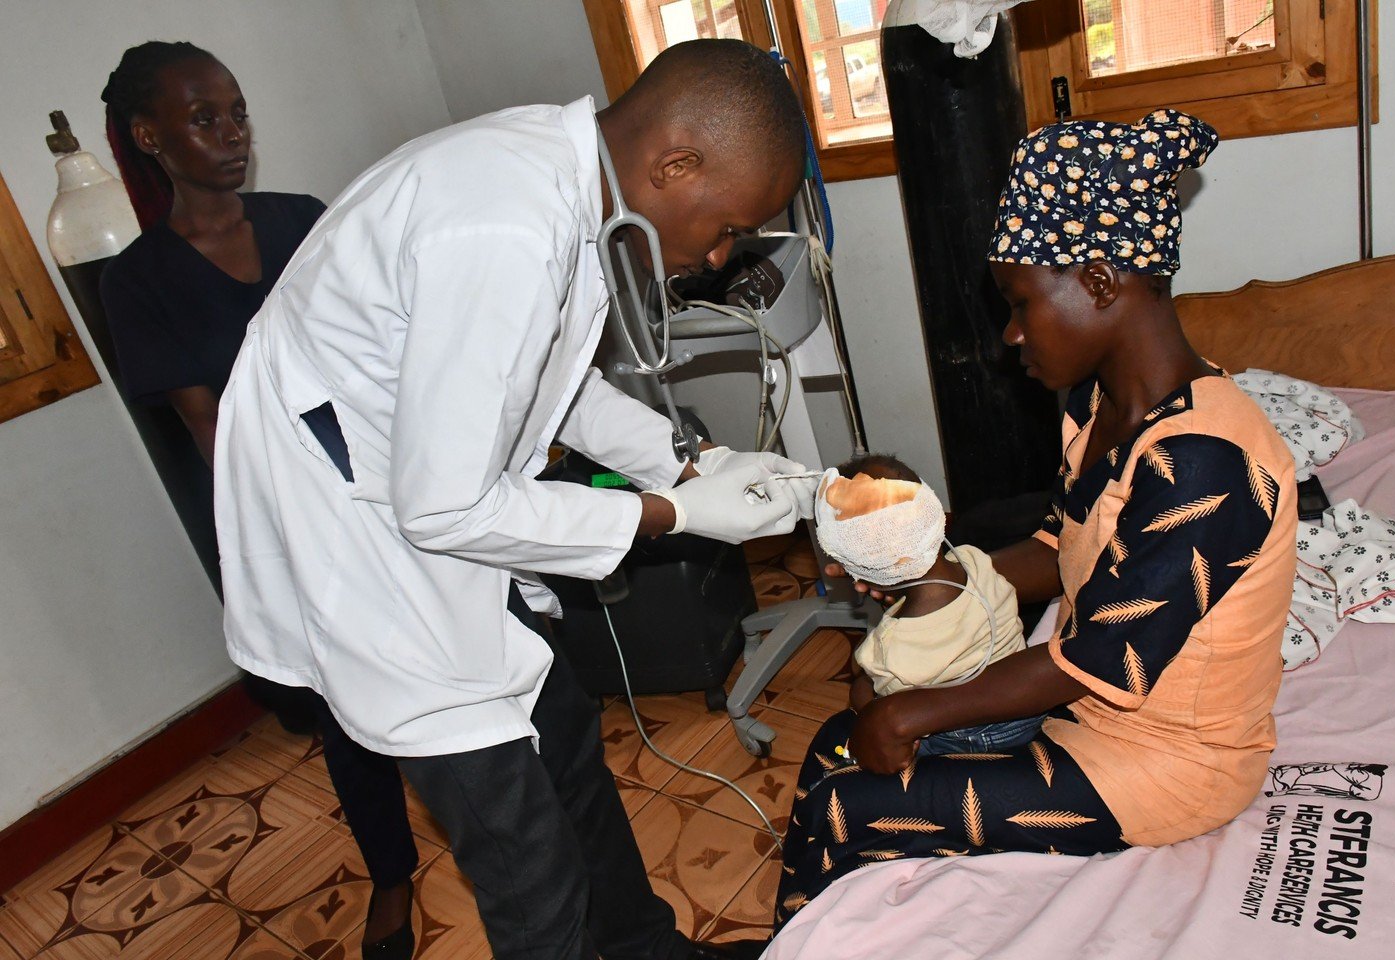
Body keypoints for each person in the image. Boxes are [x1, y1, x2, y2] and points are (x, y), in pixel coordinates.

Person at [213, 38, 816, 960]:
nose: (720, 252)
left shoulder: (566, 176)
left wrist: (688, 461)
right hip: (368, 534)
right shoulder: (506, 226)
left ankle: (645, 950)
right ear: (676, 164)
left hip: (421, 491)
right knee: (519, 844)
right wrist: (676, 514)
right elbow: (444, 510)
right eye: (730, 224)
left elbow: (556, 380)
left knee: (563, 731)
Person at [767, 109, 1298, 932]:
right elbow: (1059, 549)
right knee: (838, 740)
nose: (1010, 335)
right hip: (1090, 714)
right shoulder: (1101, 407)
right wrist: (921, 569)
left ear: (1096, 283)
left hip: (1166, 765)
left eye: (1019, 303)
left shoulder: (1208, 464)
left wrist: (911, 713)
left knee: (846, 803)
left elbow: (1093, 660)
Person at [98, 41, 421, 958]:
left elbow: (382, 357)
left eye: (238, 112)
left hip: (395, 480)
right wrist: (308, 545)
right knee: (346, 710)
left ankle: (508, 818)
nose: (233, 136)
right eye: (205, 120)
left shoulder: (306, 221)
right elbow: (215, 434)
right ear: (150, 137)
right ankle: (392, 874)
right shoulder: (139, 282)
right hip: (291, 517)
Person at [815, 454, 1041, 760]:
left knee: (860, 688)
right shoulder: (974, 559)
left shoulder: (890, 648)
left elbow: (886, 703)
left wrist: (864, 692)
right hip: (1026, 713)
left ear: (870, 580)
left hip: (965, 736)